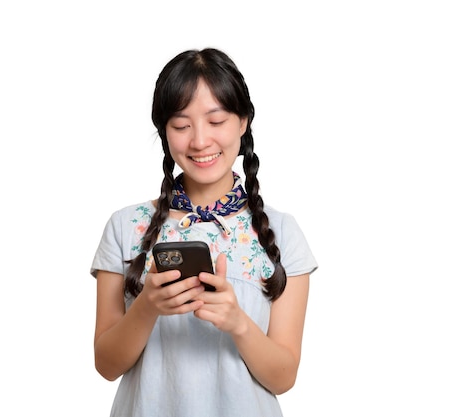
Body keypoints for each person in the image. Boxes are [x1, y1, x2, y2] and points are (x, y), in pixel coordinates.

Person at [90, 47, 318, 417]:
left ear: (243, 122)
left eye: (216, 121)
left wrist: (237, 323)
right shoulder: (125, 226)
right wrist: (146, 307)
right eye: (181, 125)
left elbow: (283, 377)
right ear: (164, 132)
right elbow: (106, 365)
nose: (199, 141)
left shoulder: (282, 233)